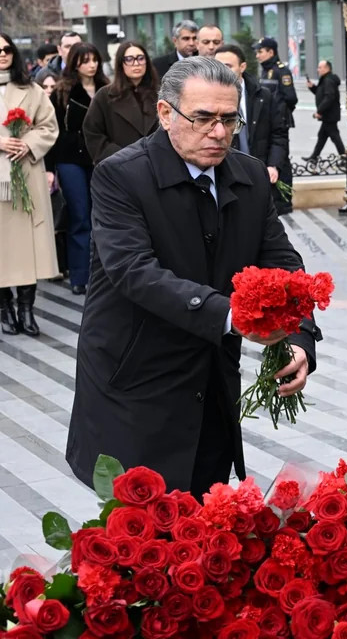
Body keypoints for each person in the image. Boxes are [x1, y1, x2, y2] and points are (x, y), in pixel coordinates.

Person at [65, 56, 321, 499]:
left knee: (206, 528)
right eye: (202, 118)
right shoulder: (121, 176)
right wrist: (235, 316)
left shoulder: (251, 175)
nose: (218, 133)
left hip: (211, 384)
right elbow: (134, 271)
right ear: (165, 114)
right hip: (137, 382)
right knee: (138, 541)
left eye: (229, 119)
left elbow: (282, 261)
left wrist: (298, 336)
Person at [0, 34, 59, 337]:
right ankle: (4, 307)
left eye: (7, 49)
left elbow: (49, 126)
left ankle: (26, 308)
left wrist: (28, 143)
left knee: (28, 247)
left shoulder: (32, 90)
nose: (2, 54)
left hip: (25, 171)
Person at [47, 42, 109, 295]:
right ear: (74, 63)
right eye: (85, 60)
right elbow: (53, 132)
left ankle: (104, 274)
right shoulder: (62, 91)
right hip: (70, 158)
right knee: (80, 216)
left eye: (94, 59)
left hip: (101, 158)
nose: (91, 65)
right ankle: (79, 276)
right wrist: (50, 168)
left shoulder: (107, 88)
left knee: (103, 217)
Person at [213, 44, 288, 183]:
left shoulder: (263, 96)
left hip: (260, 172)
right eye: (217, 66)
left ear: (242, 67)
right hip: (226, 175)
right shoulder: (208, 98)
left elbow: (279, 133)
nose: (222, 71)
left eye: (228, 66)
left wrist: (273, 165)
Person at [83, 40, 161, 163]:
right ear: (121, 64)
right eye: (129, 59)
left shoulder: (160, 94)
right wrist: (119, 156)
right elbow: (93, 133)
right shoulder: (105, 96)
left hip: (156, 163)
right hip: (120, 165)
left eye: (140, 58)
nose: (136, 63)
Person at [251, 38, 296, 214]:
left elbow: (291, 97)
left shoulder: (280, 71)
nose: (257, 55)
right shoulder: (265, 71)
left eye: (260, 51)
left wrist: (281, 114)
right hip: (267, 121)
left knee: (281, 159)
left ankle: (284, 200)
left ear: (270, 52)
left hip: (279, 122)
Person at [305, 59, 345, 160]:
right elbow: (321, 93)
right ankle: (314, 157)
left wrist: (319, 111)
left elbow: (329, 97)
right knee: (322, 136)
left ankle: (345, 157)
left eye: (320, 67)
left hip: (329, 114)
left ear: (326, 68)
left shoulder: (328, 80)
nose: (318, 70)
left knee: (334, 136)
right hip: (329, 114)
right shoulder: (325, 79)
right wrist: (312, 87)